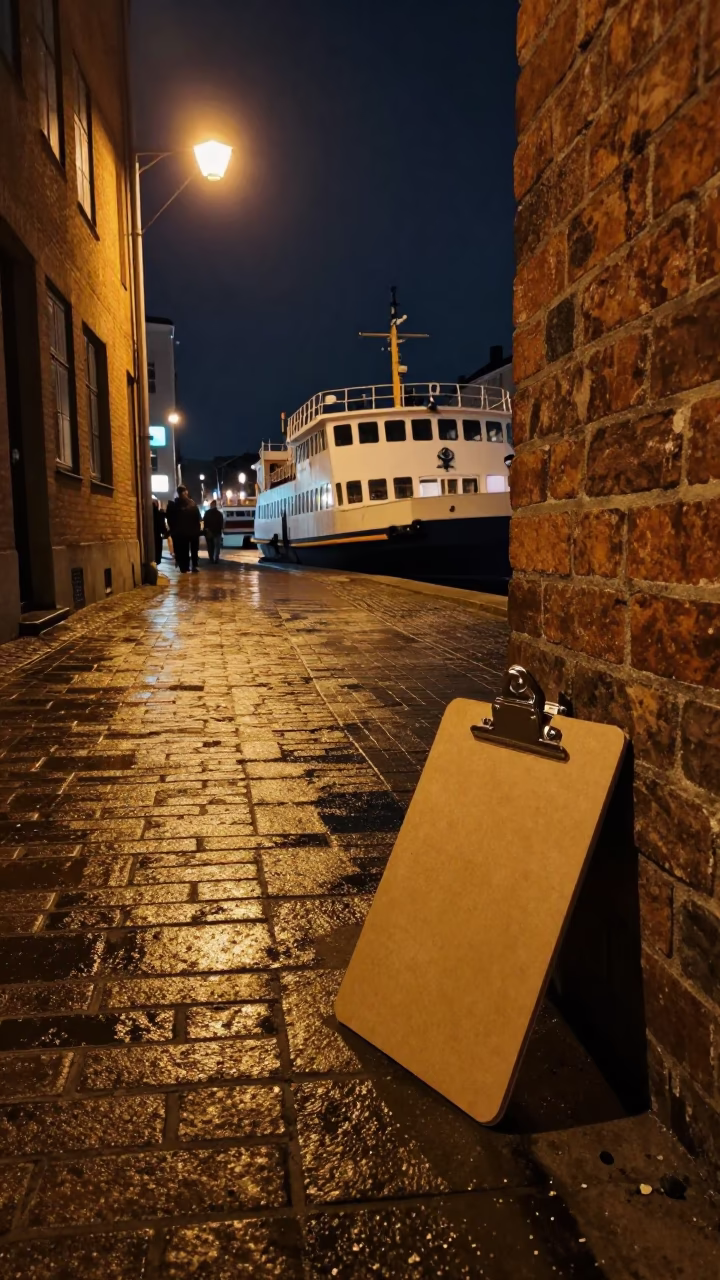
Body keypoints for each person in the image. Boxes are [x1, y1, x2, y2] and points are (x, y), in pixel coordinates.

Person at [172, 485, 202, 573]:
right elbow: (198, 517)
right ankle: (194, 566)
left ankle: (184, 567)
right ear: (185, 492)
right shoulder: (192, 503)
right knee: (193, 550)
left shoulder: (175, 504)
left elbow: (173, 519)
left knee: (184, 550)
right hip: (192, 531)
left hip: (181, 532)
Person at [152, 499, 168, 565]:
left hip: (149, 536)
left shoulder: (146, 514)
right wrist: (165, 532)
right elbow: (162, 525)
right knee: (157, 551)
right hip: (157, 536)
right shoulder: (159, 514)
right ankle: (156, 563)